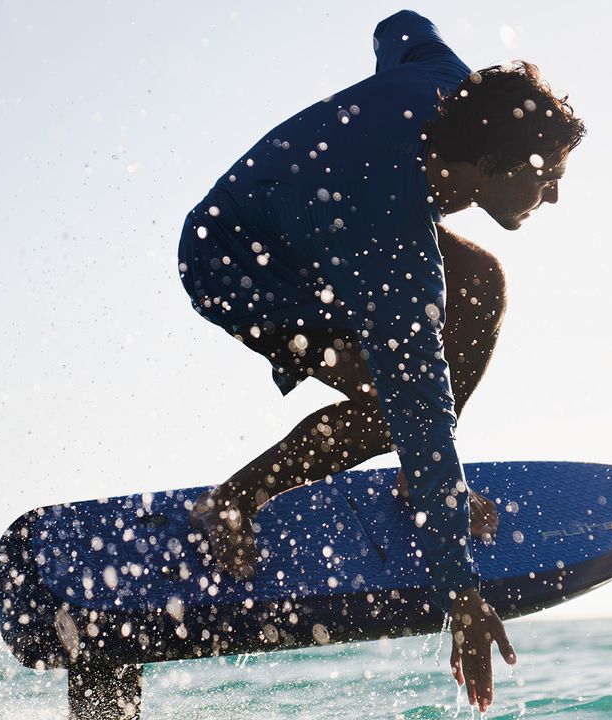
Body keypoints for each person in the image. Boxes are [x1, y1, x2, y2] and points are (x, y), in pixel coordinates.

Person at [177, 10, 585, 713]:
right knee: (398, 409)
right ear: (489, 165)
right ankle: (235, 502)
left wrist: (374, 107)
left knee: (481, 287)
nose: (555, 192)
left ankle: (420, 481)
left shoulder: (453, 85)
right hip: (236, 263)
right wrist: (460, 592)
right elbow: (423, 408)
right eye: (545, 175)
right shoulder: (395, 250)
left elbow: (401, 24)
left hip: (318, 221)